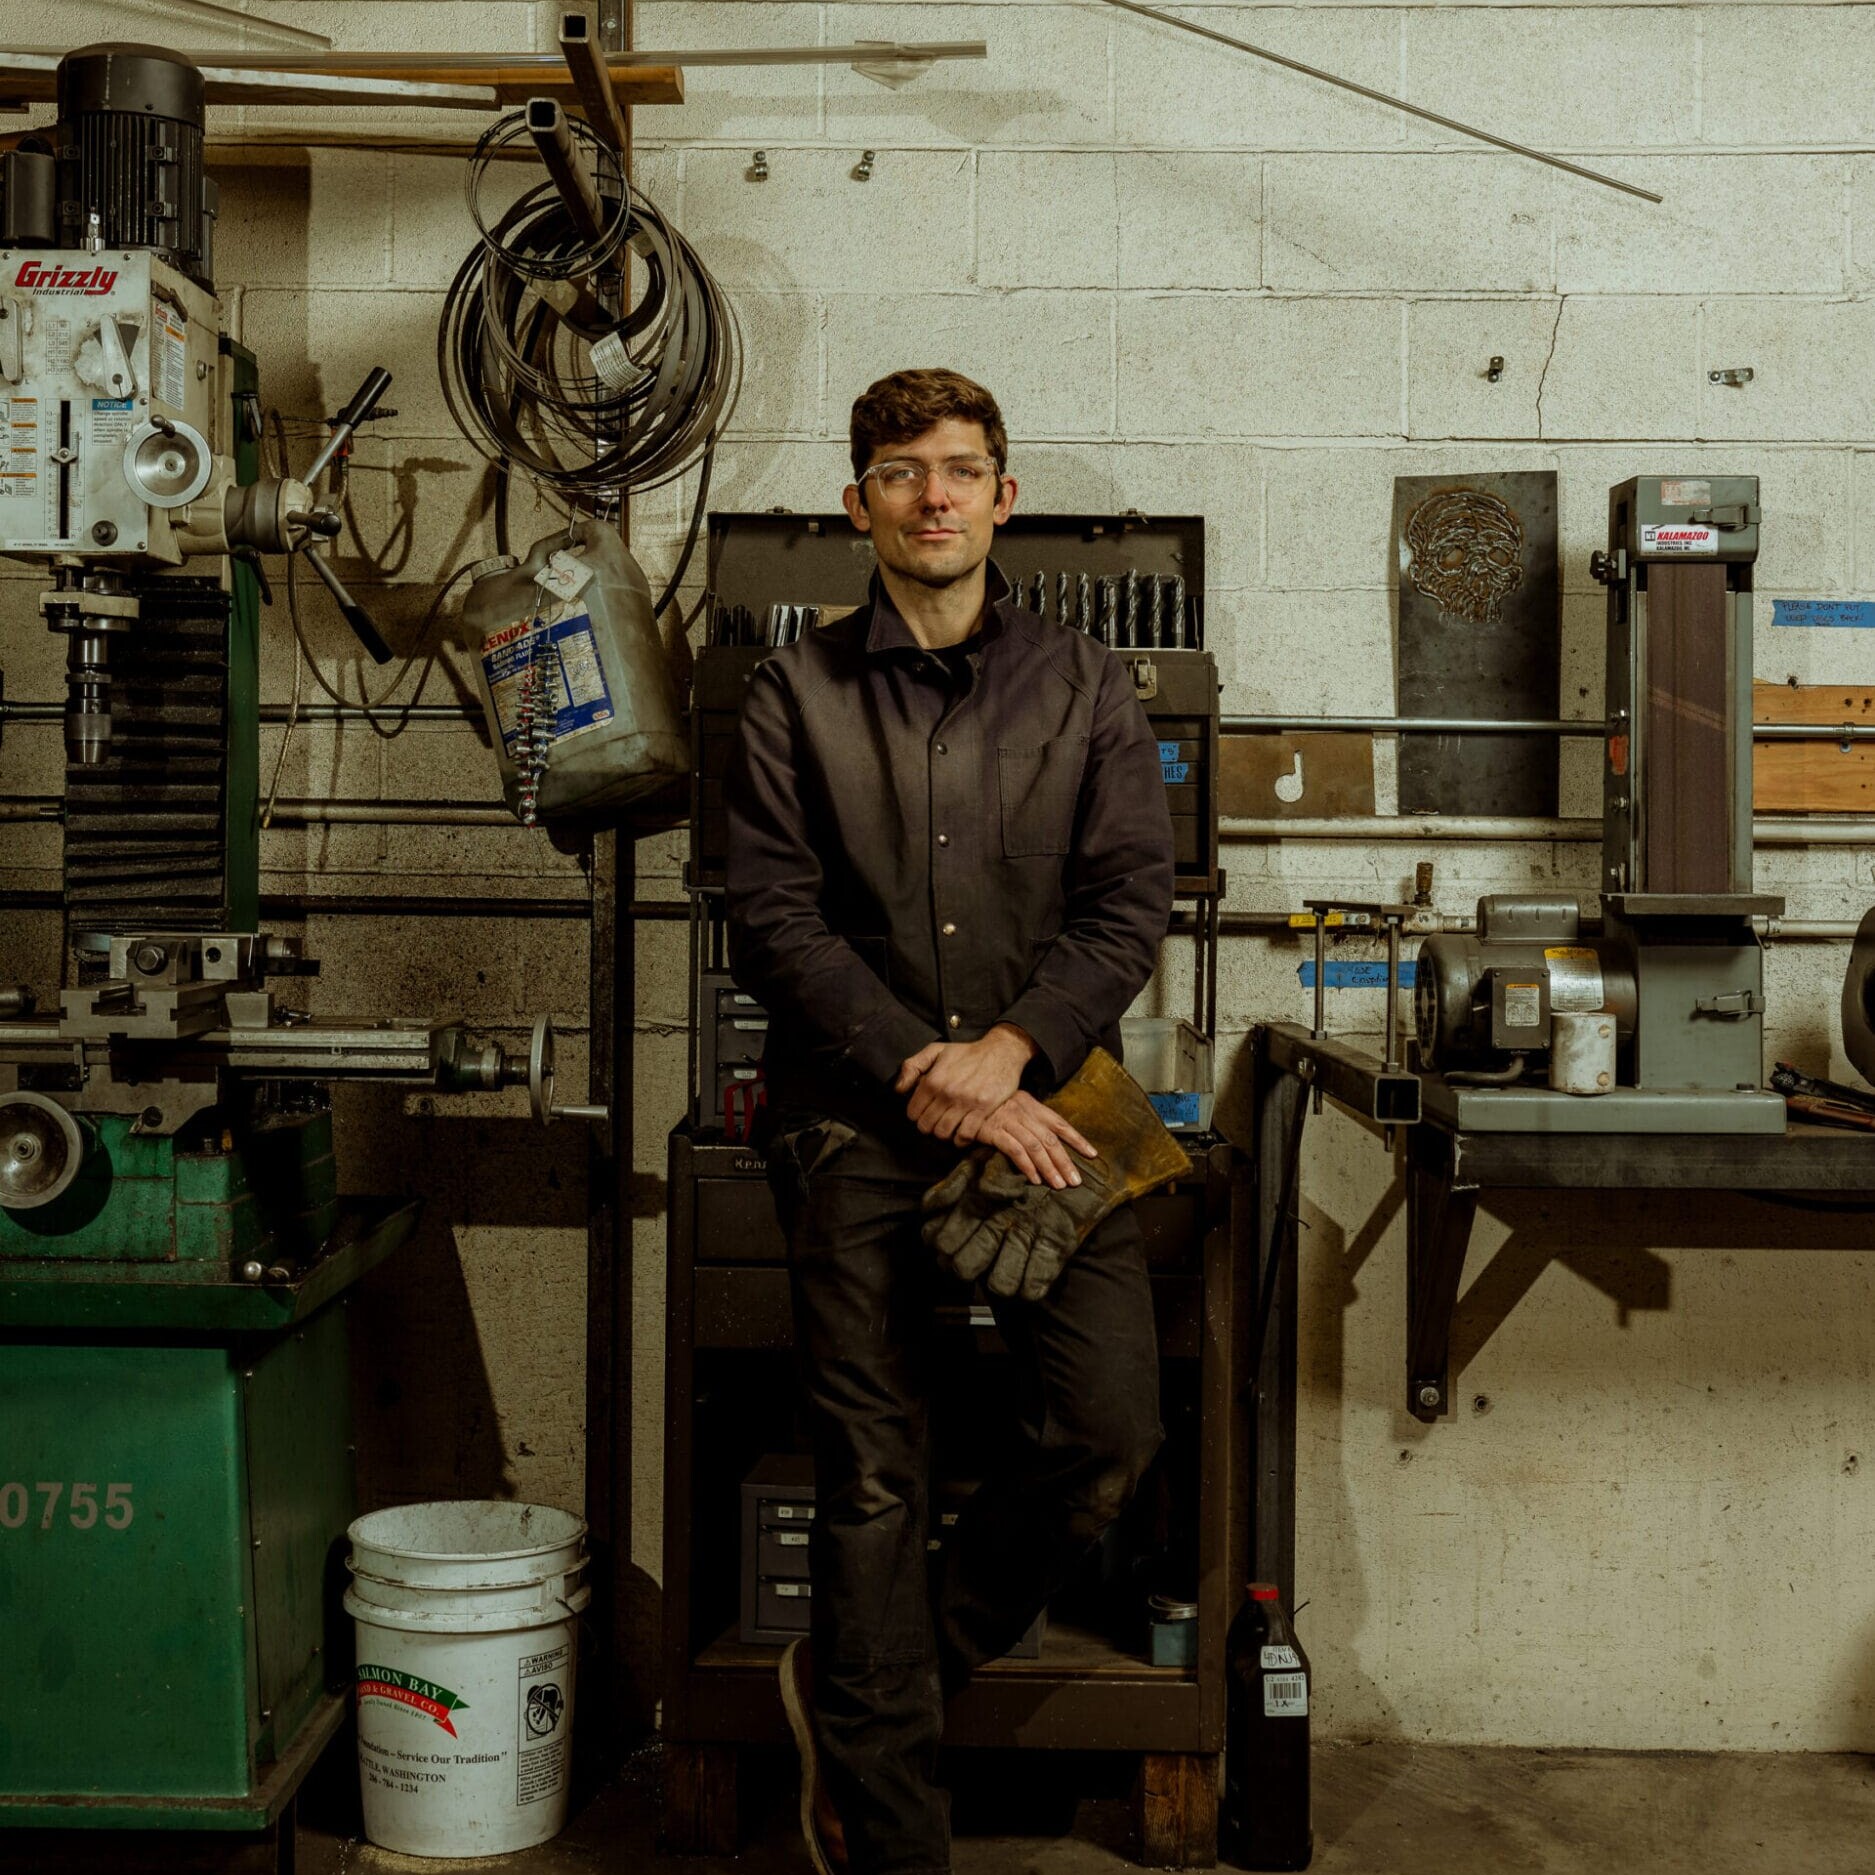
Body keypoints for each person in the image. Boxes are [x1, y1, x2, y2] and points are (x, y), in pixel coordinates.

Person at [724, 368, 1175, 1875]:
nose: (934, 494)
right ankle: (887, 1830)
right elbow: (772, 919)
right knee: (873, 1471)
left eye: (961, 468)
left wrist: (1009, 1054)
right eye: (903, 470)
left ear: (1005, 494)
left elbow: (1128, 907)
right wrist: (931, 1066)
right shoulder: (792, 693)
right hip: (853, 1119)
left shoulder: (1090, 687)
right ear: (858, 502)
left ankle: (877, 1690)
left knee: (1111, 1430)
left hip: (1048, 1112)